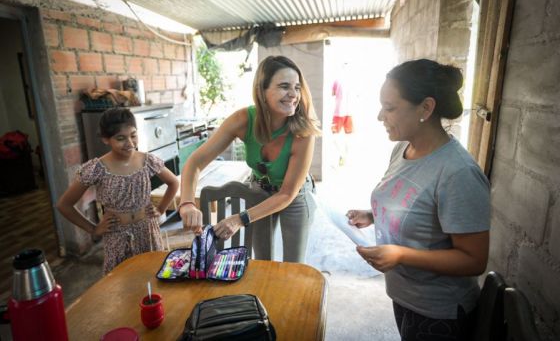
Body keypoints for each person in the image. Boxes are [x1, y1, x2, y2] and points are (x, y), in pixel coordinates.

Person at [346, 59, 490, 341]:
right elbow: (416, 203)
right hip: (404, 296)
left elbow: (474, 260)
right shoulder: (403, 149)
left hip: (439, 311)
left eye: (389, 108)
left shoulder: (458, 173)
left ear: (426, 108)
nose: (379, 116)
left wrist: (401, 255)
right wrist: (374, 214)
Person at [179, 55, 321, 263]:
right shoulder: (243, 120)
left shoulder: (303, 131)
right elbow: (195, 162)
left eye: (297, 87)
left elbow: (286, 194)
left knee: (294, 264)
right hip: (259, 191)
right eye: (284, 86)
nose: (293, 95)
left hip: (295, 197)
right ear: (262, 92)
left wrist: (240, 218)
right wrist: (187, 203)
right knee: (262, 261)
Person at [57, 108, 179, 274]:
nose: (130, 143)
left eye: (133, 135)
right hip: (117, 237)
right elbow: (64, 205)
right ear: (106, 139)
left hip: (148, 231)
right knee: (122, 285)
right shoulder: (96, 168)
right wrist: (93, 229)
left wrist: (160, 209)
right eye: (120, 138)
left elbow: (173, 182)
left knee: (153, 276)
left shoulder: (147, 160)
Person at [331, 62, 353, 166]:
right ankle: (345, 157)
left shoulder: (337, 80)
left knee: (335, 137)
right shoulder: (352, 80)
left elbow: (332, 94)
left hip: (338, 112)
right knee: (347, 137)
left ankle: (342, 156)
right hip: (349, 112)